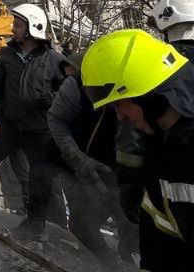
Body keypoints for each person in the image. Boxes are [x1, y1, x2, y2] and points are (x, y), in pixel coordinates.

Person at [81, 29, 194, 271]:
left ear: (149, 96)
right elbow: (161, 228)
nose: (121, 116)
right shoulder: (158, 145)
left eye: (121, 105)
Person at [0, 4, 65, 239]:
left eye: (18, 25)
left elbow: (64, 95)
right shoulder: (7, 55)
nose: (13, 29)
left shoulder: (55, 60)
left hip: (39, 130)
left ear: (32, 28)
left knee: (41, 178)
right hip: (8, 124)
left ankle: (48, 227)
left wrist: (50, 106)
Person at [47, 50, 136, 265]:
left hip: (127, 164)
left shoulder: (137, 83)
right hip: (85, 163)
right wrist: (78, 159)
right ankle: (110, 267)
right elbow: (56, 119)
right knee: (82, 225)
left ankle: (132, 259)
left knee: (132, 223)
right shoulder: (74, 86)